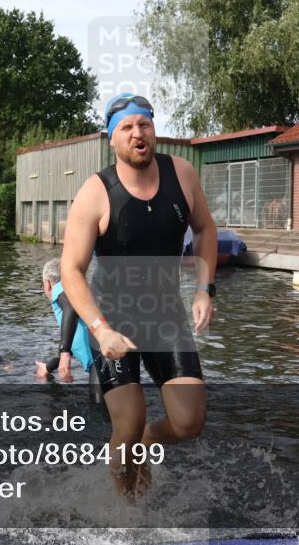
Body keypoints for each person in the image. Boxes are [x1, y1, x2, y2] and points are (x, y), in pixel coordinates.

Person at [61, 92, 218, 497]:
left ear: (154, 130)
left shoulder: (182, 174)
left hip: (165, 314)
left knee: (188, 423)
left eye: (144, 124)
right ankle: (125, 512)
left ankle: (150, 443)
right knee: (126, 425)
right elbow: (71, 270)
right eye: (127, 128)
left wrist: (204, 288)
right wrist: (100, 329)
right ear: (112, 139)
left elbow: (205, 229)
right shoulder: (95, 193)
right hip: (113, 320)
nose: (137, 133)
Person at [34, 258, 93, 382]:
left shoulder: (61, 288)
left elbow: (71, 306)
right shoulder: (77, 288)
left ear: (47, 283)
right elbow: (71, 341)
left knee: (99, 401)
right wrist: (48, 367)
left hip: (100, 364)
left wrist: (64, 351)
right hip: (106, 360)